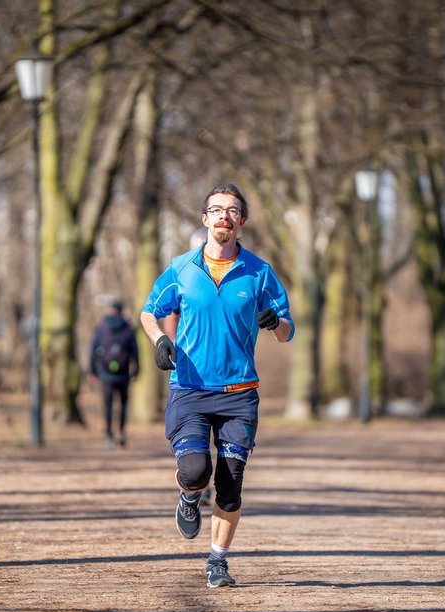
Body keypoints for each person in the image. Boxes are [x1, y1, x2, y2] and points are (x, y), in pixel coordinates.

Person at [141, 183, 294, 588]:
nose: (224, 216)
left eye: (232, 211)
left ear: (241, 221)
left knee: (229, 483)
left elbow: (287, 330)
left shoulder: (259, 272)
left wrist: (274, 323)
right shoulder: (181, 268)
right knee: (195, 469)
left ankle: (218, 561)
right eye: (217, 209)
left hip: (239, 393)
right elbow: (149, 312)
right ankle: (190, 495)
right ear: (205, 218)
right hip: (189, 388)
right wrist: (160, 341)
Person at [89, 299, 139, 447]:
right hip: (123, 373)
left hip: (105, 373)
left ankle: (109, 435)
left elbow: (93, 350)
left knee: (108, 404)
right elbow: (135, 351)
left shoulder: (102, 327)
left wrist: (92, 370)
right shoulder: (128, 328)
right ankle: (121, 431)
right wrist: (136, 369)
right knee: (123, 404)